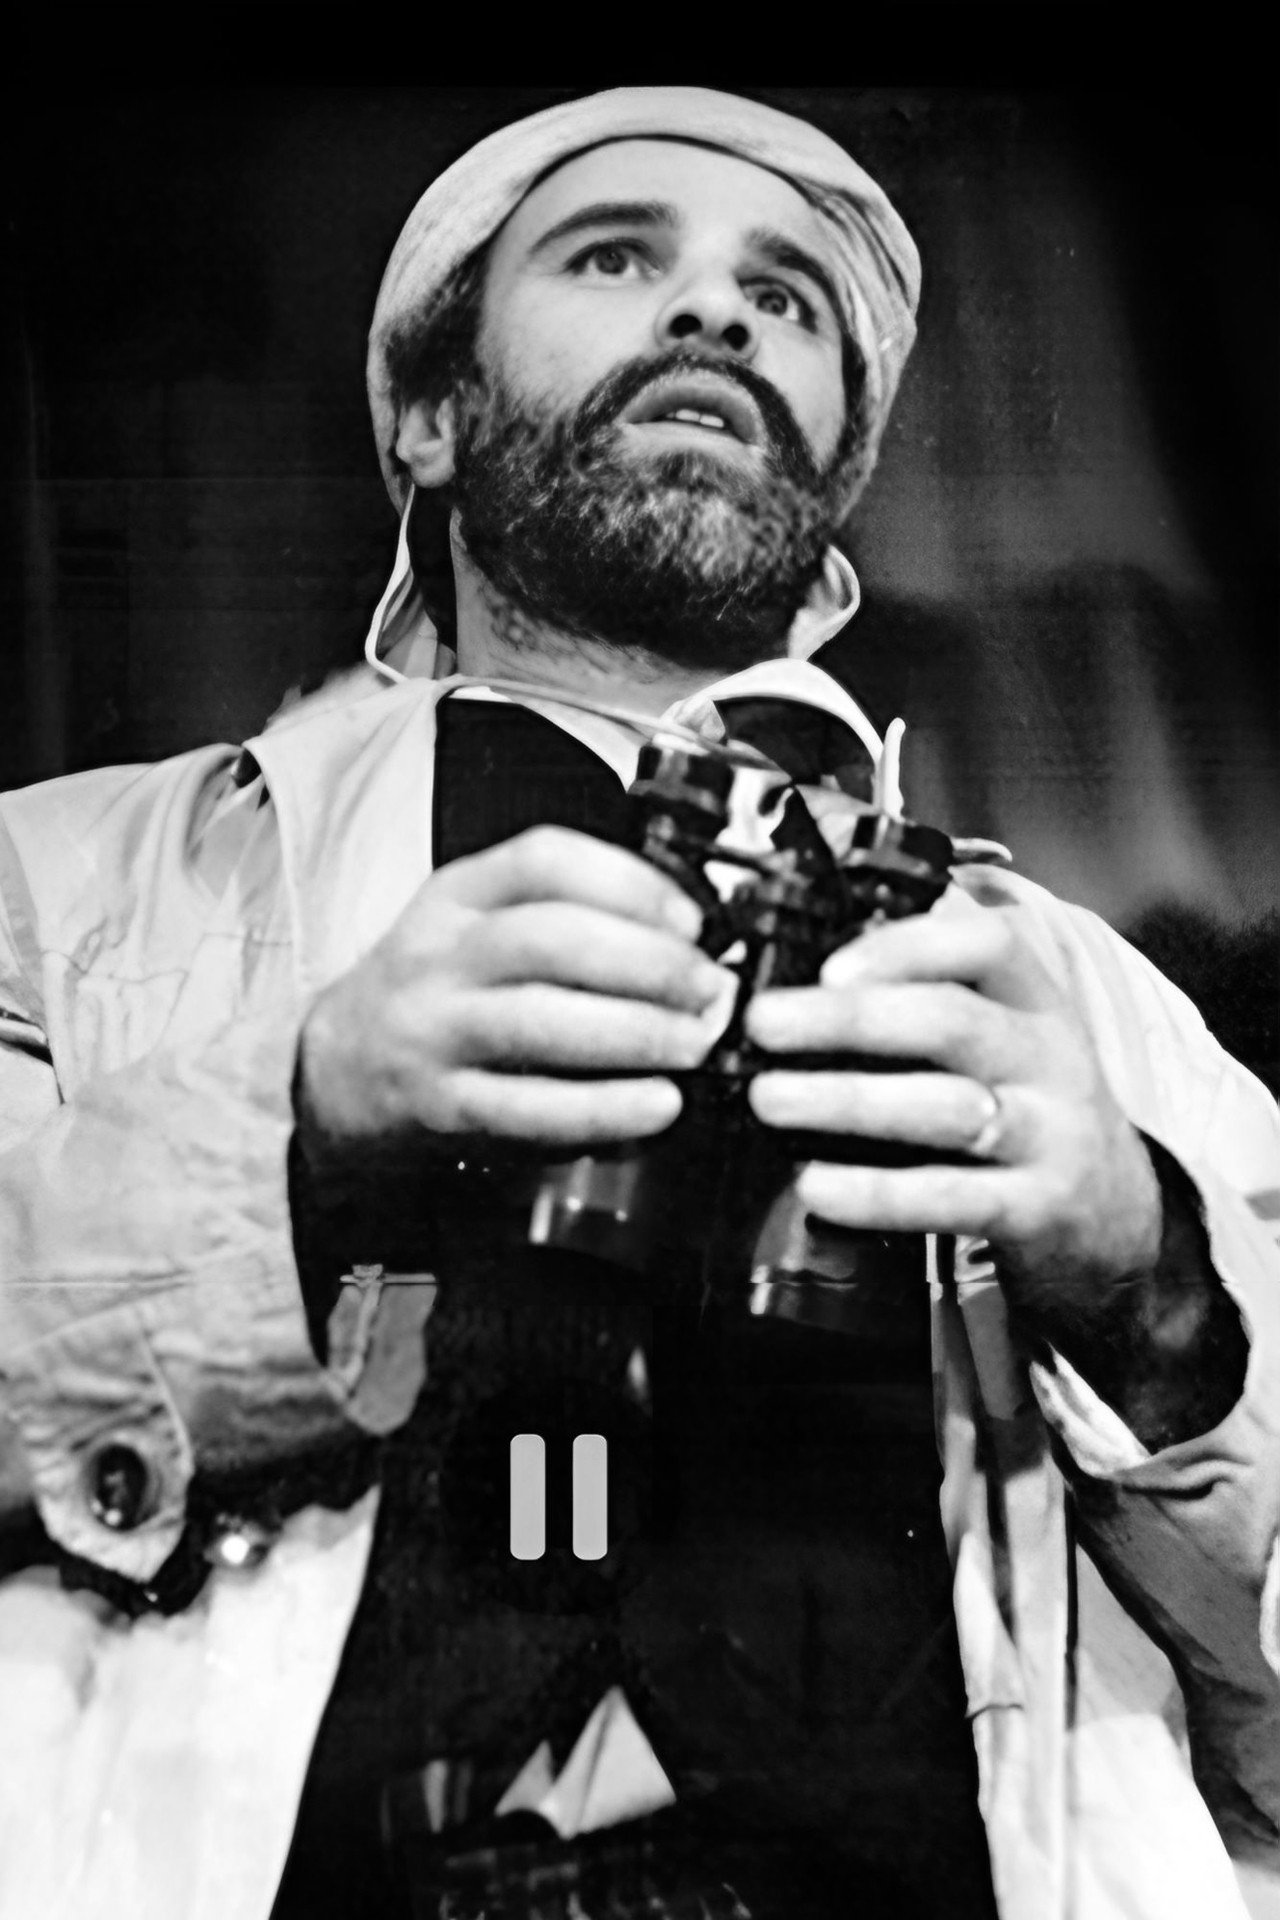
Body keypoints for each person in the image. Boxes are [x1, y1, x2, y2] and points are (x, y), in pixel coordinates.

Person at [0, 85, 1277, 1920]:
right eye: (615, 260)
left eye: (786, 299)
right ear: (431, 419)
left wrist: (1154, 1293)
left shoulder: (1086, 1007)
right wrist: (298, 1135)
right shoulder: (60, 889)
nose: (715, 312)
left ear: (834, 493)